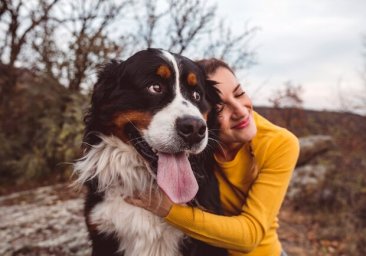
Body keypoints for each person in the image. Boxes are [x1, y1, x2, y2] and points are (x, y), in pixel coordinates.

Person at [126, 58, 300, 256]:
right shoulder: (188, 144)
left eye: (240, 94)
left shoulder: (280, 142)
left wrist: (167, 210)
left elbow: (249, 236)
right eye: (219, 107)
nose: (241, 111)